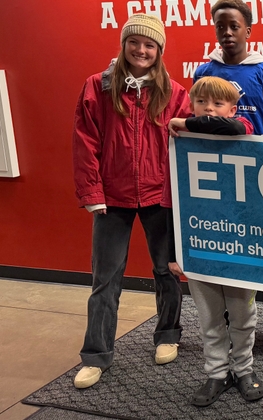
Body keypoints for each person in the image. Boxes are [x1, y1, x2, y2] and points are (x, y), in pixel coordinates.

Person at [71, 14, 189, 389]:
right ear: (124, 45)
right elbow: (85, 142)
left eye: (149, 45)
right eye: (134, 42)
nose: (141, 50)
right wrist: (92, 193)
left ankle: (168, 334)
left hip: (160, 195)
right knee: (105, 278)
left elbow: (198, 135)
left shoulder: (175, 92)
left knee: (165, 270)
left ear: (159, 51)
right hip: (112, 198)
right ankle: (96, 355)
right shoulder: (97, 87)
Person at [195, 0, 263, 355]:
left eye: (234, 26)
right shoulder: (204, 71)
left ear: (248, 31)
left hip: (260, 179)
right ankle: (225, 326)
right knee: (225, 249)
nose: (227, 33)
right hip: (219, 181)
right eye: (220, 26)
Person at [162, 76, 263, 407]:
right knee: (209, 318)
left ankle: (244, 370)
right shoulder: (180, 147)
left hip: (240, 248)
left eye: (217, 104)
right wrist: (173, 252)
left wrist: (186, 121)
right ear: (191, 104)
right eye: (201, 103)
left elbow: (234, 129)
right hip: (200, 248)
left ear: (233, 109)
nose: (208, 109)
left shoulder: (243, 129)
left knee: (242, 316)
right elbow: (172, 202)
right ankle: (217, 372)